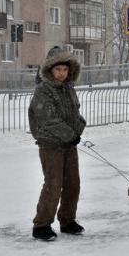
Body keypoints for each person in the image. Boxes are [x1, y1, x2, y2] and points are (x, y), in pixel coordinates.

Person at [28, 46, 86, 241]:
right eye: (58, 69)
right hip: (51, 144)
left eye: (65, 69)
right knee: (53, 184)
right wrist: (69, 134)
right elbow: (48, 119)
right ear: (50, 70)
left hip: (69, 144)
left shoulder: (68, 88)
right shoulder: (43, 90)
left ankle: (67, 220)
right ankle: (42, 224)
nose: (62, 73)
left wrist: (79, 127)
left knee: (73, 184)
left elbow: (74, 112)